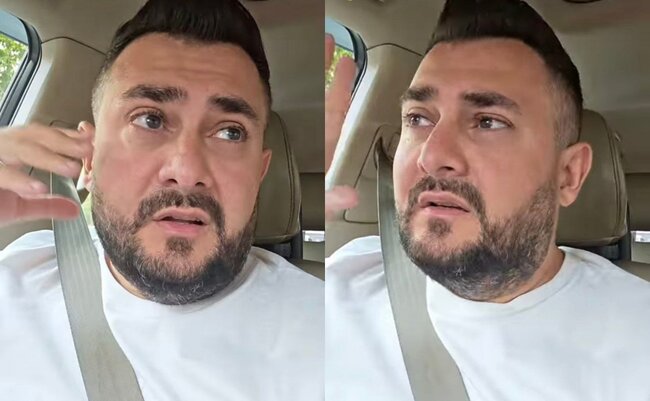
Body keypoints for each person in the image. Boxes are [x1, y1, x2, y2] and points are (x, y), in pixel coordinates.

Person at [325, 0, 650, 400]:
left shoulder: (638, 338)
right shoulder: (338, 287)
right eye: (418, 118)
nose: (431, 156)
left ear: (568, 174)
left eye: (488, 122)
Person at [0, 1, 322, 400]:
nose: (186, 171)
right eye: (149, 120)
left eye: (230, 132)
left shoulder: (324, 332)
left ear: (259, 172)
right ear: (89, 158)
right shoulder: (16, 276)